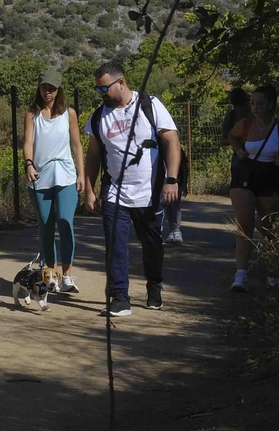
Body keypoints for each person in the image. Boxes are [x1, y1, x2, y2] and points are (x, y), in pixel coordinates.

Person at [82, 61, 183, 317]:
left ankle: (154, 286)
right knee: (115, 245)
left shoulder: (150, 105)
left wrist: (172, 179)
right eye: (98, 91)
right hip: (115, 192)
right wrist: (90, 190)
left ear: (121, 83)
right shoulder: (99, 118)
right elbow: (93, 155)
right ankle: (120, 298)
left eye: (104, 89)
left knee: (152, 245)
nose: (101, 94)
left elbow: (172, 140)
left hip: (150, 193)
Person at [227, 84, 279, 292]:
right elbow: (231, 136)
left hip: (270, 176)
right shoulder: (245, 124)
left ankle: (272, 273)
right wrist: (239, 151)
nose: (255, 107)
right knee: (245, 225)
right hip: (245, 174)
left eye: (260, 103)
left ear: (270, 104)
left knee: (267, 227)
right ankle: (240, 275)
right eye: (252, 103)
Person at [23, 68, 86, 295]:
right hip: (41, 177)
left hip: (66, 175)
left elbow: (77, 145)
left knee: (65, 222)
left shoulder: (69, 113)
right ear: (39, 89)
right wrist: (29, 163)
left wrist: (81, 174)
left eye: (52, 88)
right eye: (44, 88)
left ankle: (67, 276)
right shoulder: (32, 115)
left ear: (59, 89)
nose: (47, 92)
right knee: (46, 227)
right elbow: (28, 142)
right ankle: (50, 277)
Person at [222, 86, 252, 195]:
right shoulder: (232, 116)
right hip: (239, 161)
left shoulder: (256, 114)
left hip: (256, 161)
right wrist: (237, 143)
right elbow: (225, 138)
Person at [162, 150, 191, 244]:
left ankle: (176, 231)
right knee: (162, 208)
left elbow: (184, 167)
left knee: (174, 206)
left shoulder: (177, 150)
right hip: (157, 182)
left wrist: (184, 185)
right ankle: (158, 232)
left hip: (174, 182)